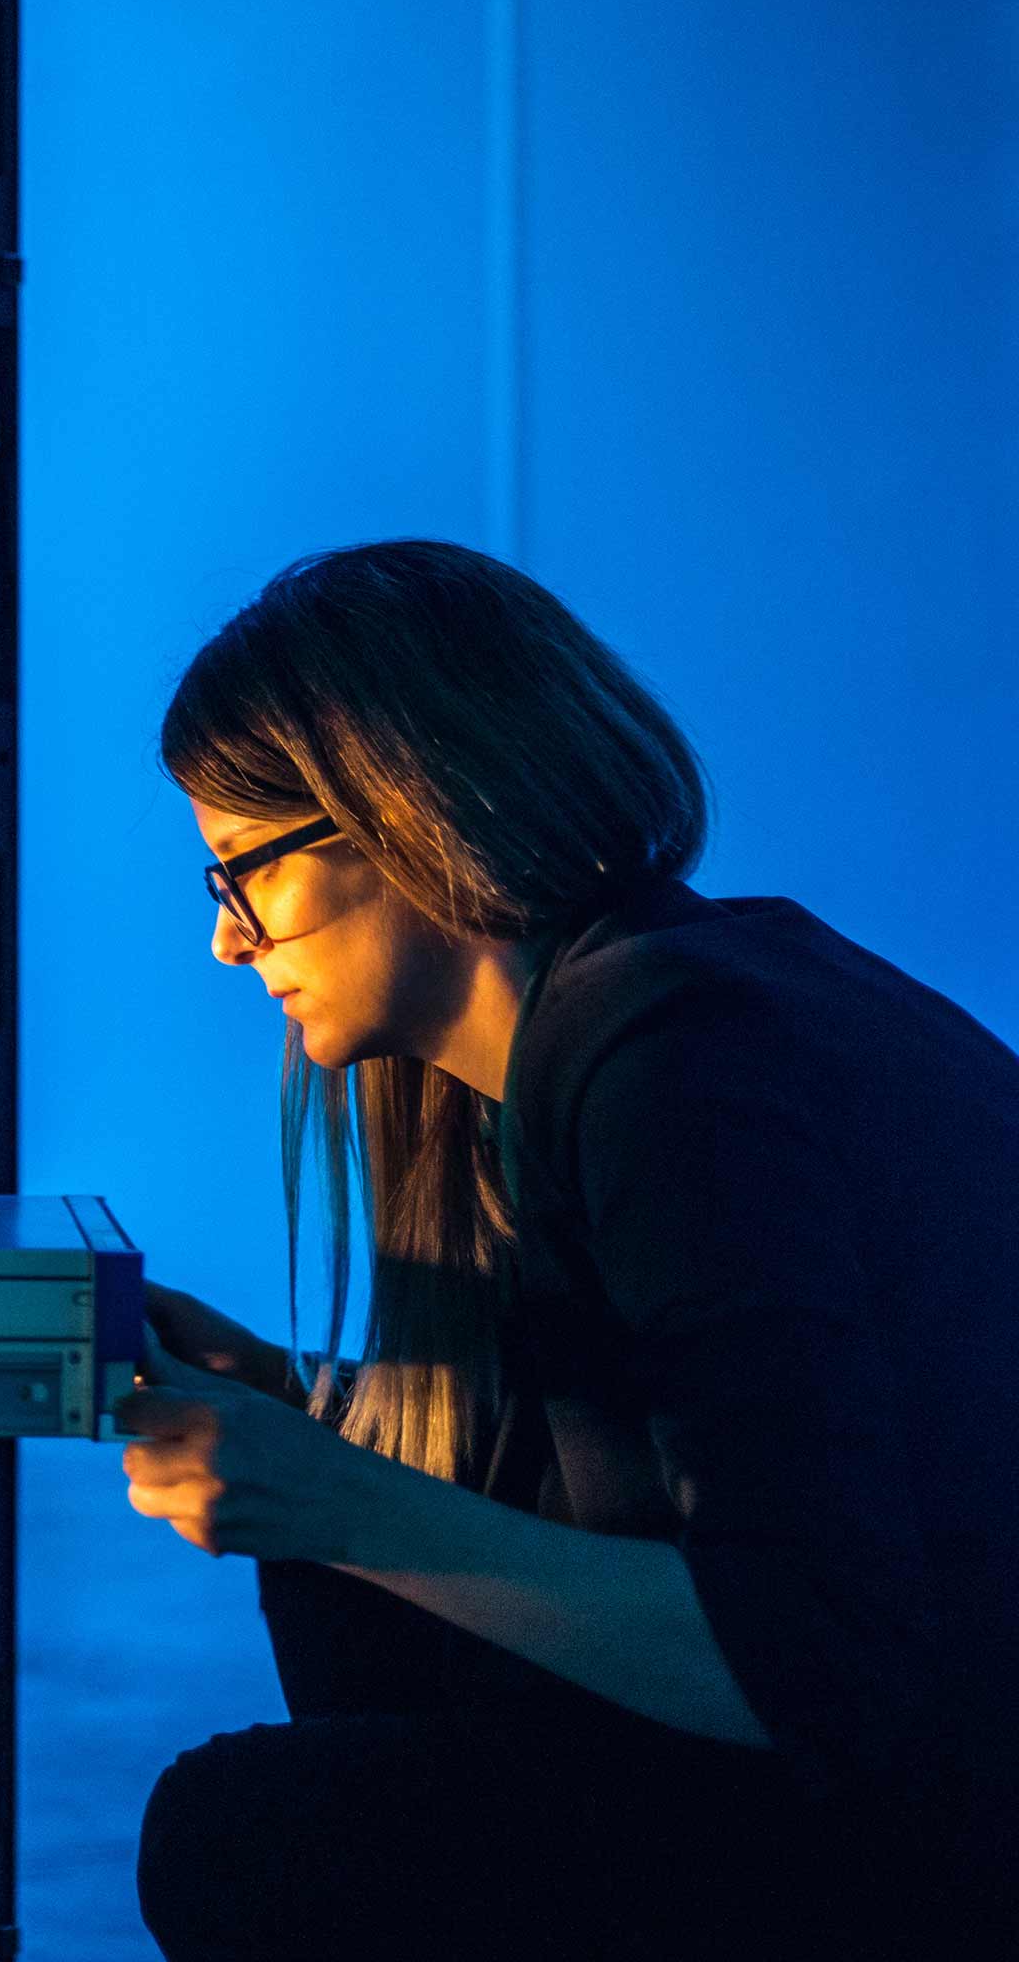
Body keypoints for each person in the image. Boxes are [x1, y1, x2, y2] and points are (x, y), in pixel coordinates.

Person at [115, 539, 1019, 1959]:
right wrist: (301, 1410)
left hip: (938, 1846)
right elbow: (644, 1472)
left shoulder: (678, 1068)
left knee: (251, 1832)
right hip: (910, 1784)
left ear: (403, 815)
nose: (232, 945)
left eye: (244, 873)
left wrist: (334, 1498)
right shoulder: (668, 1008)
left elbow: (817, 1658)